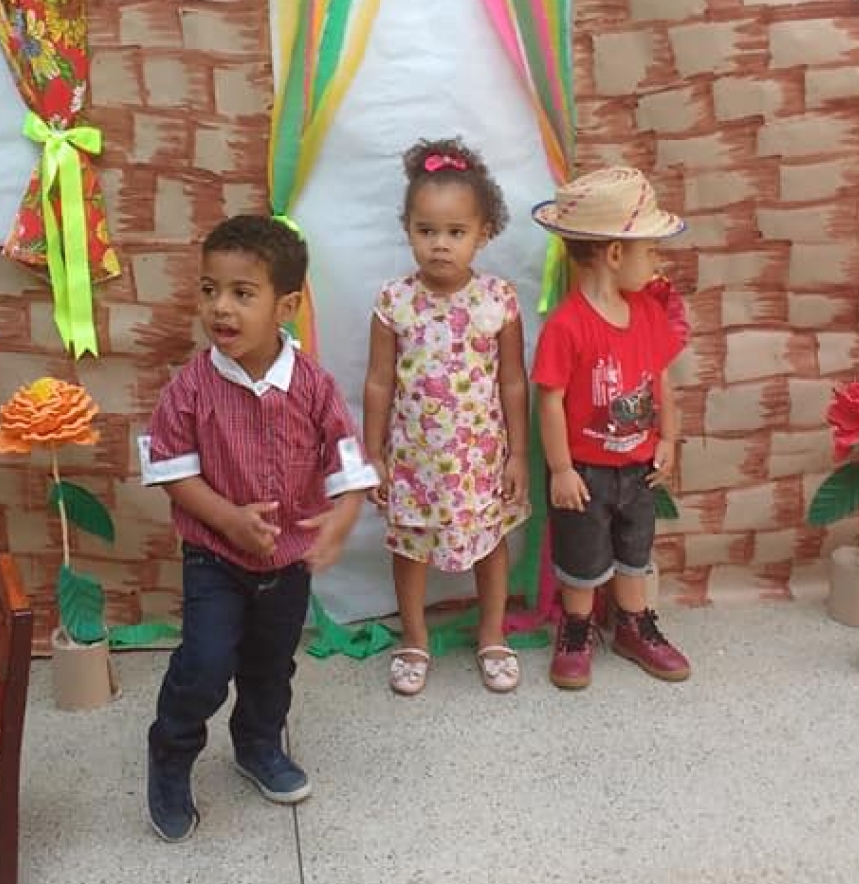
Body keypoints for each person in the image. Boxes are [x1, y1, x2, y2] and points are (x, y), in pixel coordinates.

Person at [142, 214, 375, 842]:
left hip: (287, 563)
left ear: (286, 306)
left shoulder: (314, 387)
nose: (221, 307)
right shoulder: (190, 388)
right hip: (214, 559)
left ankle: (258, 745)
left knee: (271, 668)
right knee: (205, 664)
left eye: (242, 293)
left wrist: (342, 517)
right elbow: (171, 470)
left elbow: (349, 462)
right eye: (209, 289)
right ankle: (170, 752)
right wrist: (228, 519)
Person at [364, 136, 529, 697]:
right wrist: (371, 455)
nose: (439, 244)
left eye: (456, 232)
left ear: (484, 233)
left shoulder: (499, 300)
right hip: (413, 461)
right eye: (426, 230)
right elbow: (379, 382)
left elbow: (513, 381)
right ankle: (414, 639)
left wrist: (519, 455)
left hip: (480, 460)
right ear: (407, 228)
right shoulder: (394, 302)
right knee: (409, 548)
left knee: (490, 544)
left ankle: (492, 635)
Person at [530, 166, 691, 690]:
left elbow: (662, 380)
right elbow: (550, 400)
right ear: (616, 254)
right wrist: (560, 469)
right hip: (585, 474)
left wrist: (668, 438)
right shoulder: (566, 326)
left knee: (634, 551)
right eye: (651, 250)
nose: (657, 262)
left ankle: (633, 625)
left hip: (639, 469)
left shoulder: (648, 313)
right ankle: (577, 629)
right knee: (581, 556)